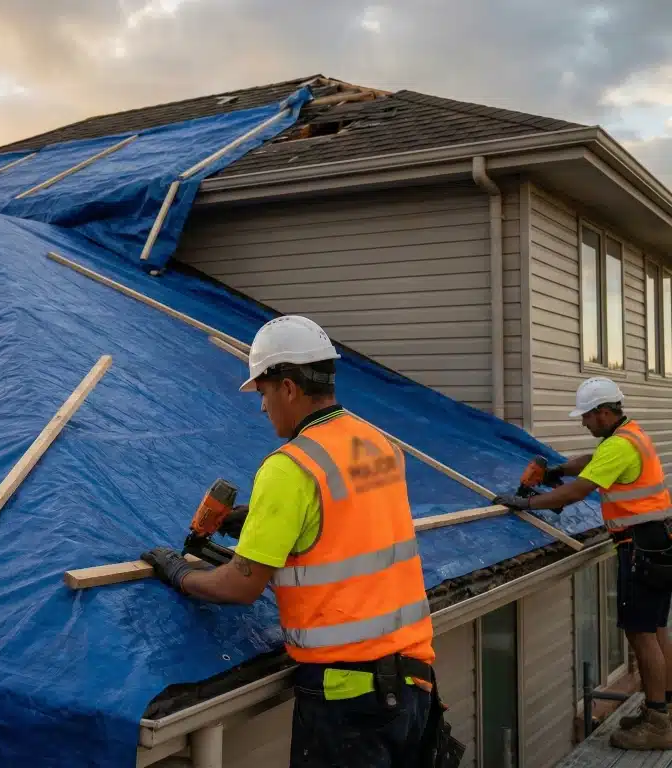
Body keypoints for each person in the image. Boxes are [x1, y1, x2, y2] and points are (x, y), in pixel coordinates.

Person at [141, 316, 444, 768]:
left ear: (287, 388)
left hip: (347, 700)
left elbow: (239, 587)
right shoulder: (378, 444)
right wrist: (266, 523)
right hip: (414, 686)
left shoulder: (289, 467)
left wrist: (180, 573)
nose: (263, 408)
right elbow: (351, 523)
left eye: (263, 393)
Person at [493, 376, 672, 751]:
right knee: (654, 629)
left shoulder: (620, 446)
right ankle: (664, 708)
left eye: (587, 416)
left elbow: (579, 491)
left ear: (604, 413)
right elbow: (590, 463)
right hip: (655, 543)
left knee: (642, 633)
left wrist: (526, 502)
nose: (584, 423)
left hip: (641, 548)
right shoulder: (627, 436)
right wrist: (556, 471)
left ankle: (658, 722)